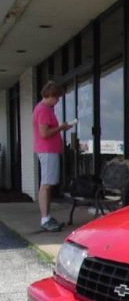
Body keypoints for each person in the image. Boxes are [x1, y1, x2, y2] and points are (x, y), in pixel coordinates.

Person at [33, 81, 73, 232]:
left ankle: (47, 217)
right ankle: (45, 219)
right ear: (50, 95)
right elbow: (44, 133)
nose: (57, 101)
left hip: (49, 150)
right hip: (47, 150)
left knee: (48, 184)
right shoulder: (43, 110)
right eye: (57, 98)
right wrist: (61, 127)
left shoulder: (43, 109)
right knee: (46, 185)